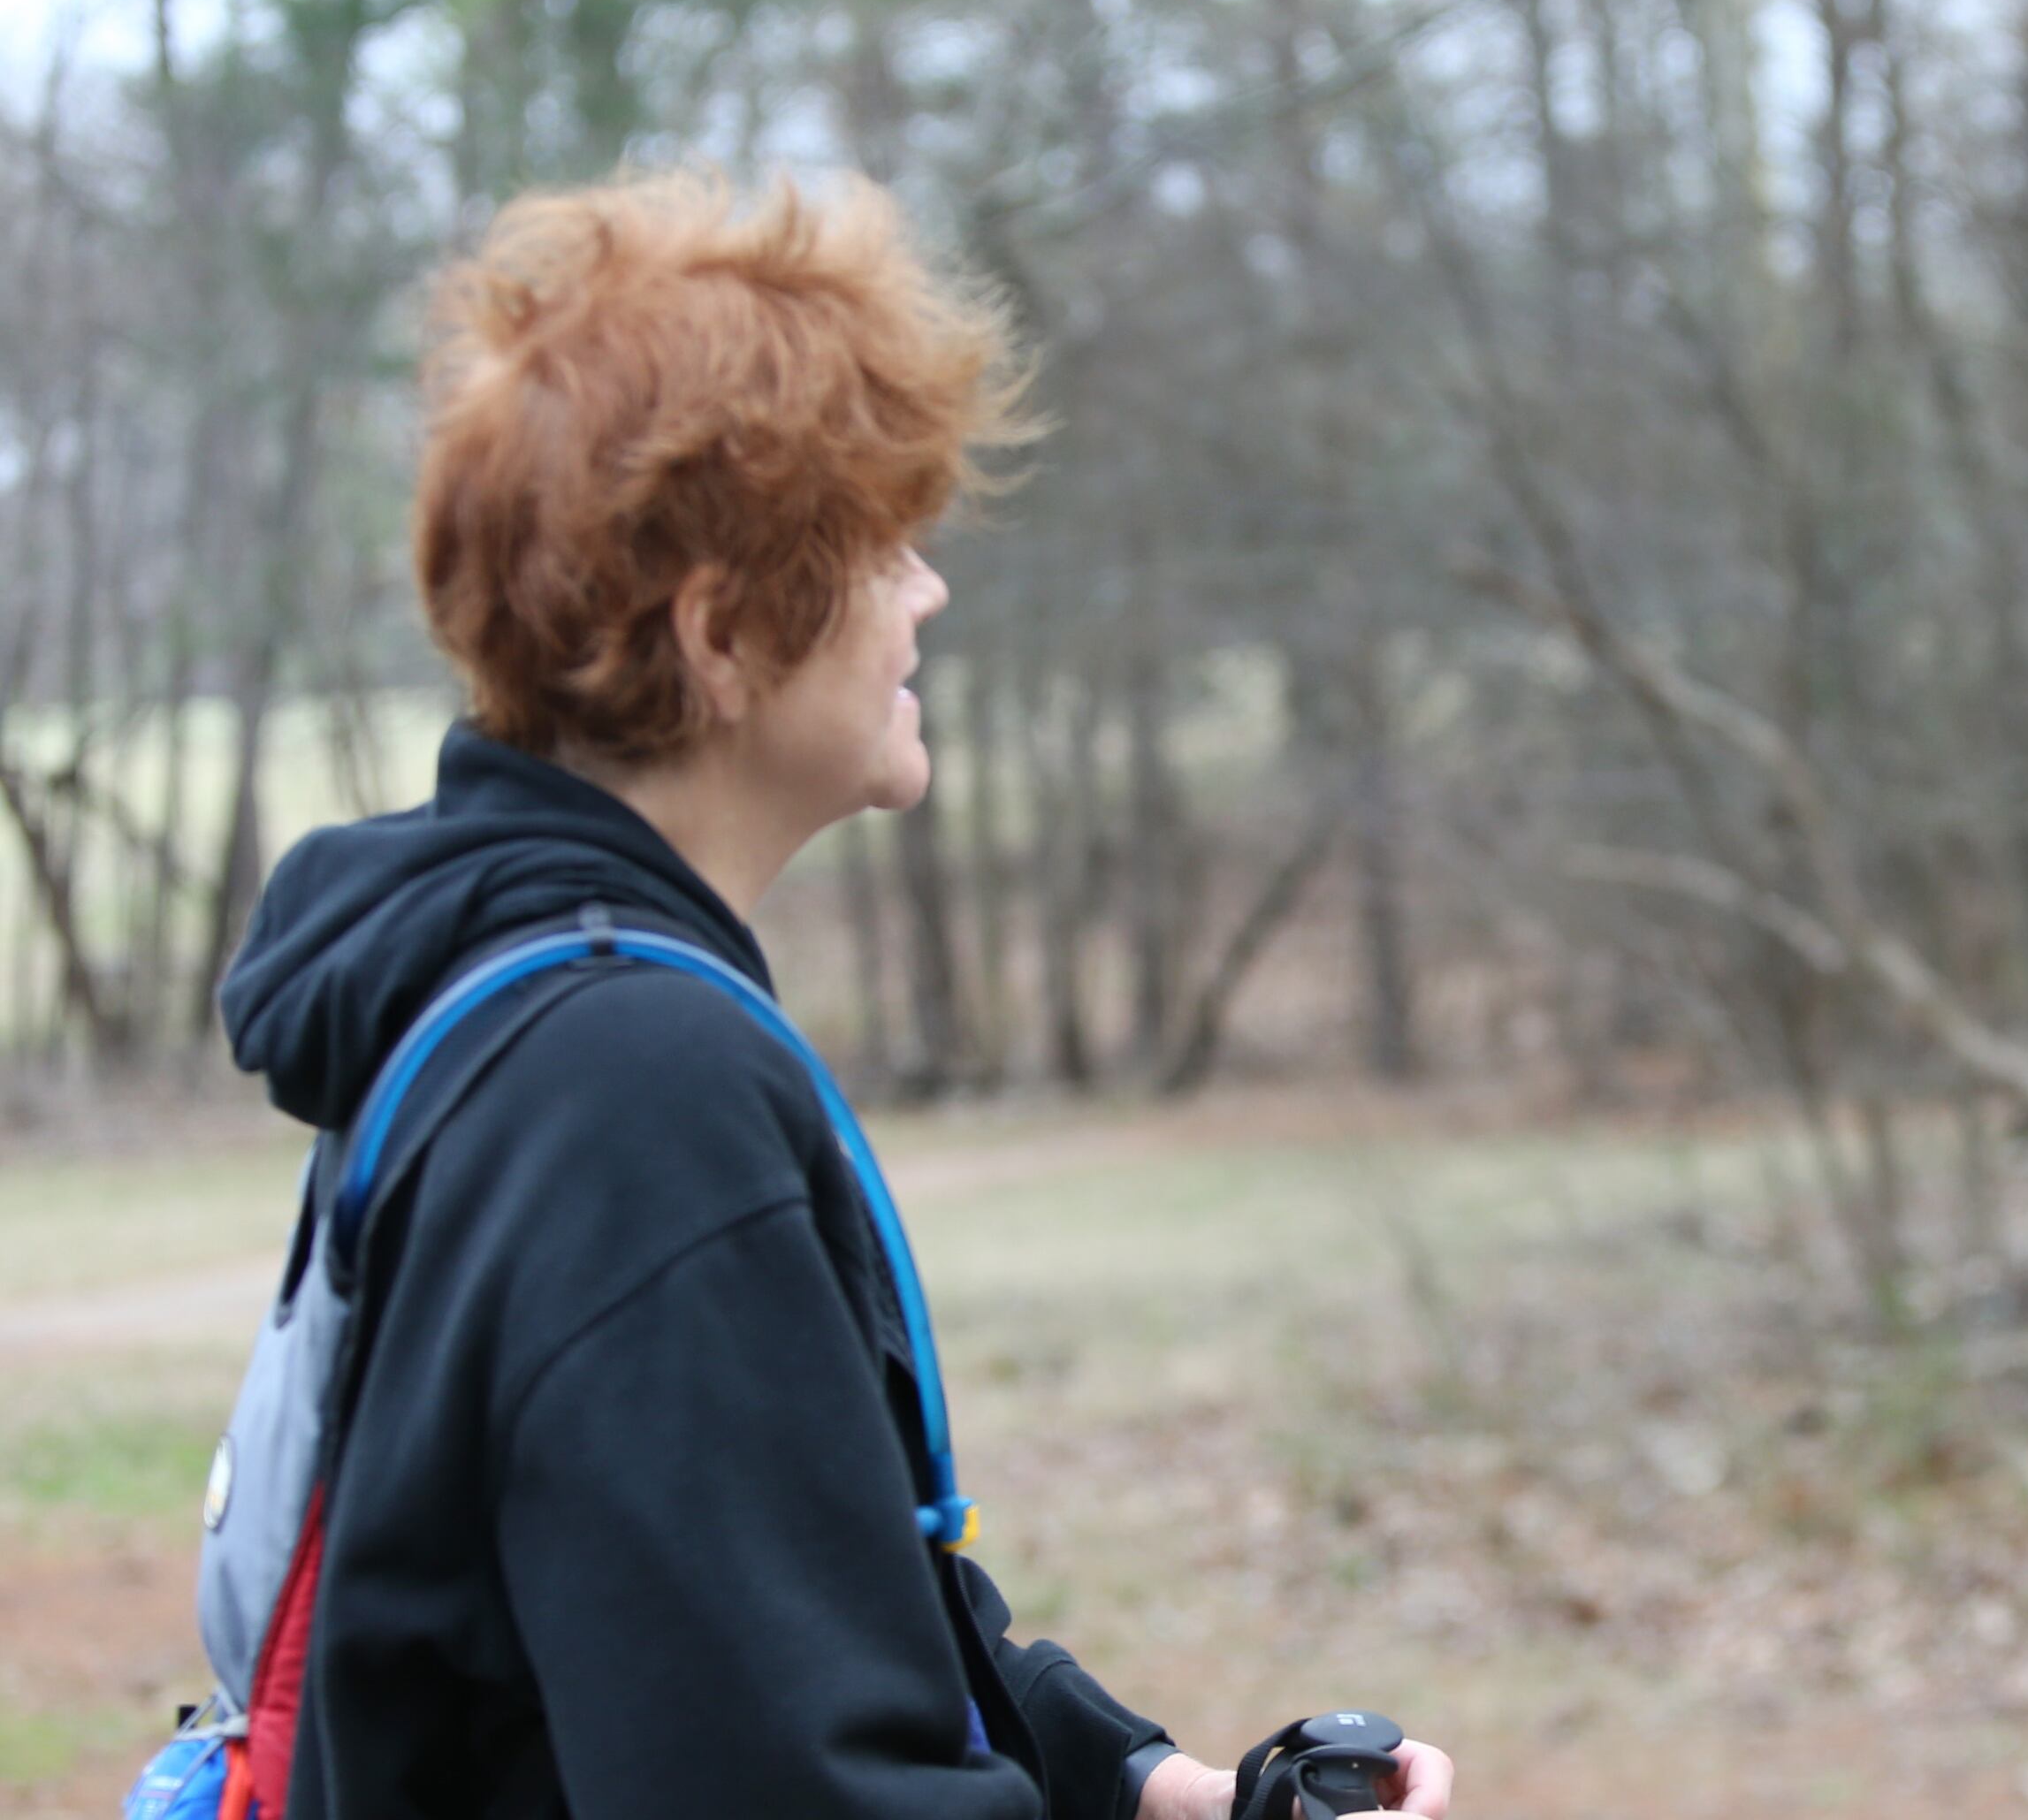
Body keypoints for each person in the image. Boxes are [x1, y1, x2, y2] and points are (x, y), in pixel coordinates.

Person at [215, 169, 1458, 1820]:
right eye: (879, 545)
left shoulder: (508, 1005)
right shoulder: (624, 1089)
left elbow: (766, 1599)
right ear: (722, 633)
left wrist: (1141, 1784)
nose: (928, 589)